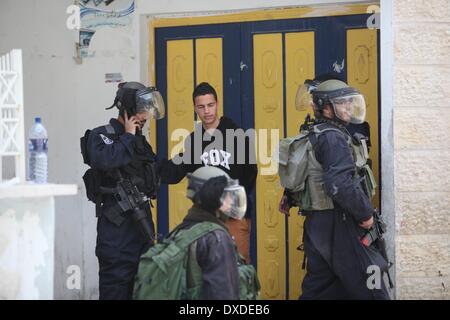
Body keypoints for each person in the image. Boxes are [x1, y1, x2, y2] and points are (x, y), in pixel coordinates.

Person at [279, 79, 390, 299]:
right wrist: (365, 214)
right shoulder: (333, 138)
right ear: (325, 108)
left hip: (318, 226)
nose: (348, 106)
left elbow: (312, 174)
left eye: (349, 101)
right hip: (340, 224)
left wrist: (289, 197)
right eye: (341, 103)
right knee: (372, 284)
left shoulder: (316, 132)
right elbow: (339, 184)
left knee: (320, 289)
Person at [80, 81, 165, 299]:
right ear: (128, 109)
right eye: (142, 110)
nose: (145, 117)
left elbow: (156, 171)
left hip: (141, 230)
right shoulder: (101, 135)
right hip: (116, 238)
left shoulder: (140, 142)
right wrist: (127, 135)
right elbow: (103, 159)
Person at [159, 82, 257, 264]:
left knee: (238, 267)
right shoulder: (194, 140)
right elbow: (176, 171)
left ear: (217, 104)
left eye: (210, 105)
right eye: (201, 107)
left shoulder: (236, 134)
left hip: (234, 215)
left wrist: (230, 199)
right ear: (195, 108)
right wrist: (149, 164)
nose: (207, 111)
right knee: (207, 268)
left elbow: (250, 173)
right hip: (206, 217)